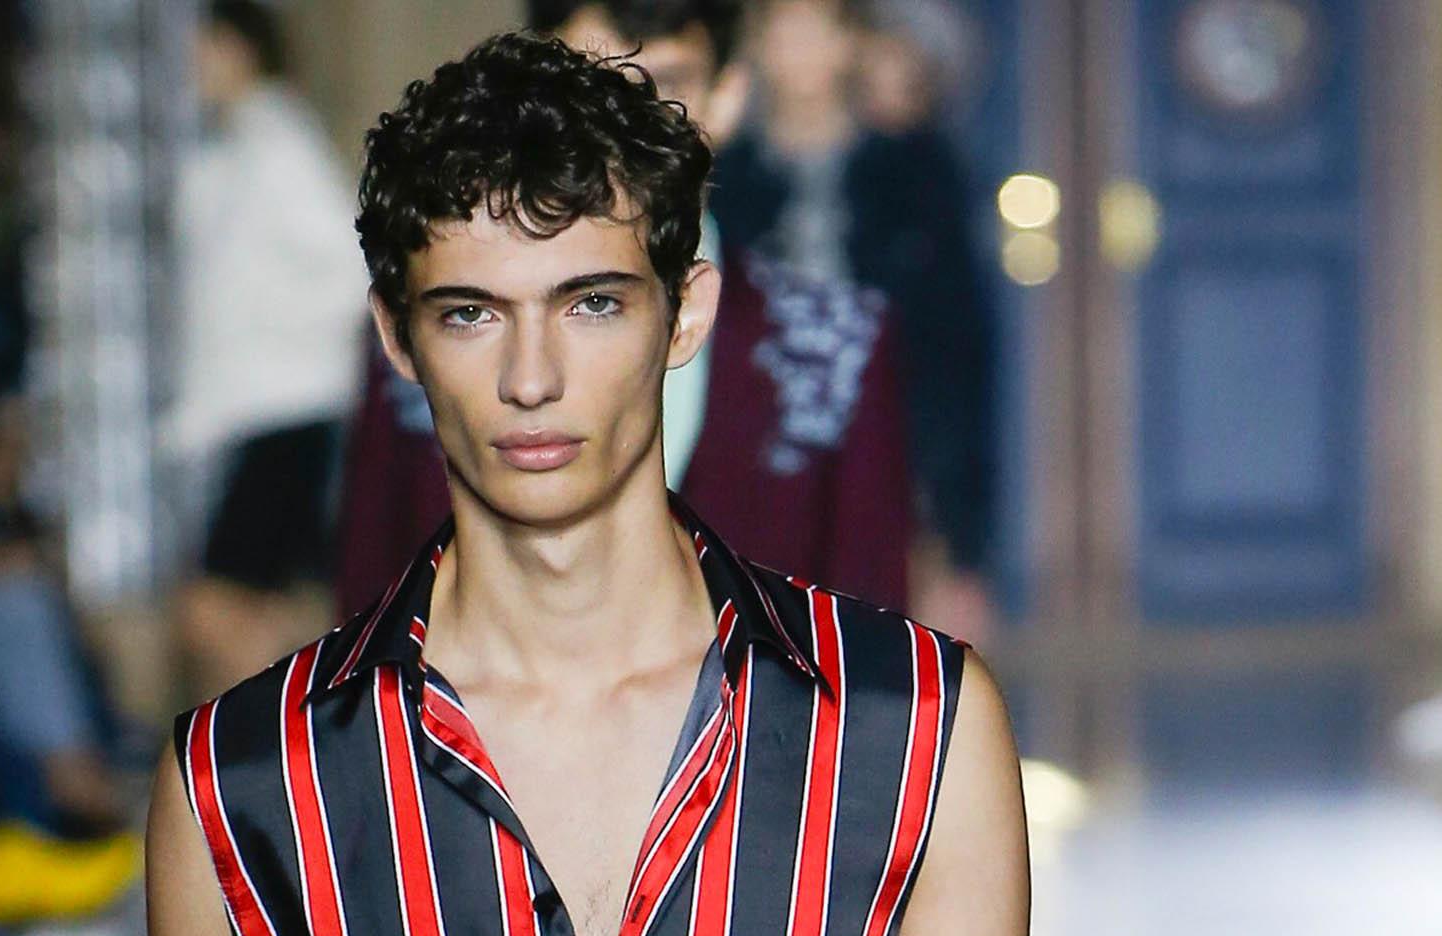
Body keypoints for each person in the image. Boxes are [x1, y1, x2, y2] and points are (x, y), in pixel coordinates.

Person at [147, 32, 1078, 936]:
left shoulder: (904, 735)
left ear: (686, 310)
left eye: (589, 302)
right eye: (469, 313)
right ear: (395, 341)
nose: (531, 375)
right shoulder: (249, 783)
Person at [331, 0, 913, 616]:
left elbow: (868, 643)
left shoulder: (835, 342)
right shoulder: (423, 322)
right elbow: (370, 601)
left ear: (728, 95)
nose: (614, 124)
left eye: (661, 88)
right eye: (585, 83)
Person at [714, 0, 999, 646]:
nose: (802, 51)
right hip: (755, 454)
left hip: (895, 450)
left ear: (852, 42)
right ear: (754, 46)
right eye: (780, 31)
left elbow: (958, 355)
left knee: (891, 660)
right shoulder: (722, 180)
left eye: (820, 29)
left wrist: (961, 542)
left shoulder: (916, 174)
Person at [169, 0, 369, 696]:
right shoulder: (236, 146)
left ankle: (286, 753)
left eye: (204, 46)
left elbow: (352, 267)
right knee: (261, 607)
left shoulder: (278, 142)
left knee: (217, 606)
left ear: (238, 47)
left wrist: (282, 339)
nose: (193, 65)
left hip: (283, 407)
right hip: (255, 410)